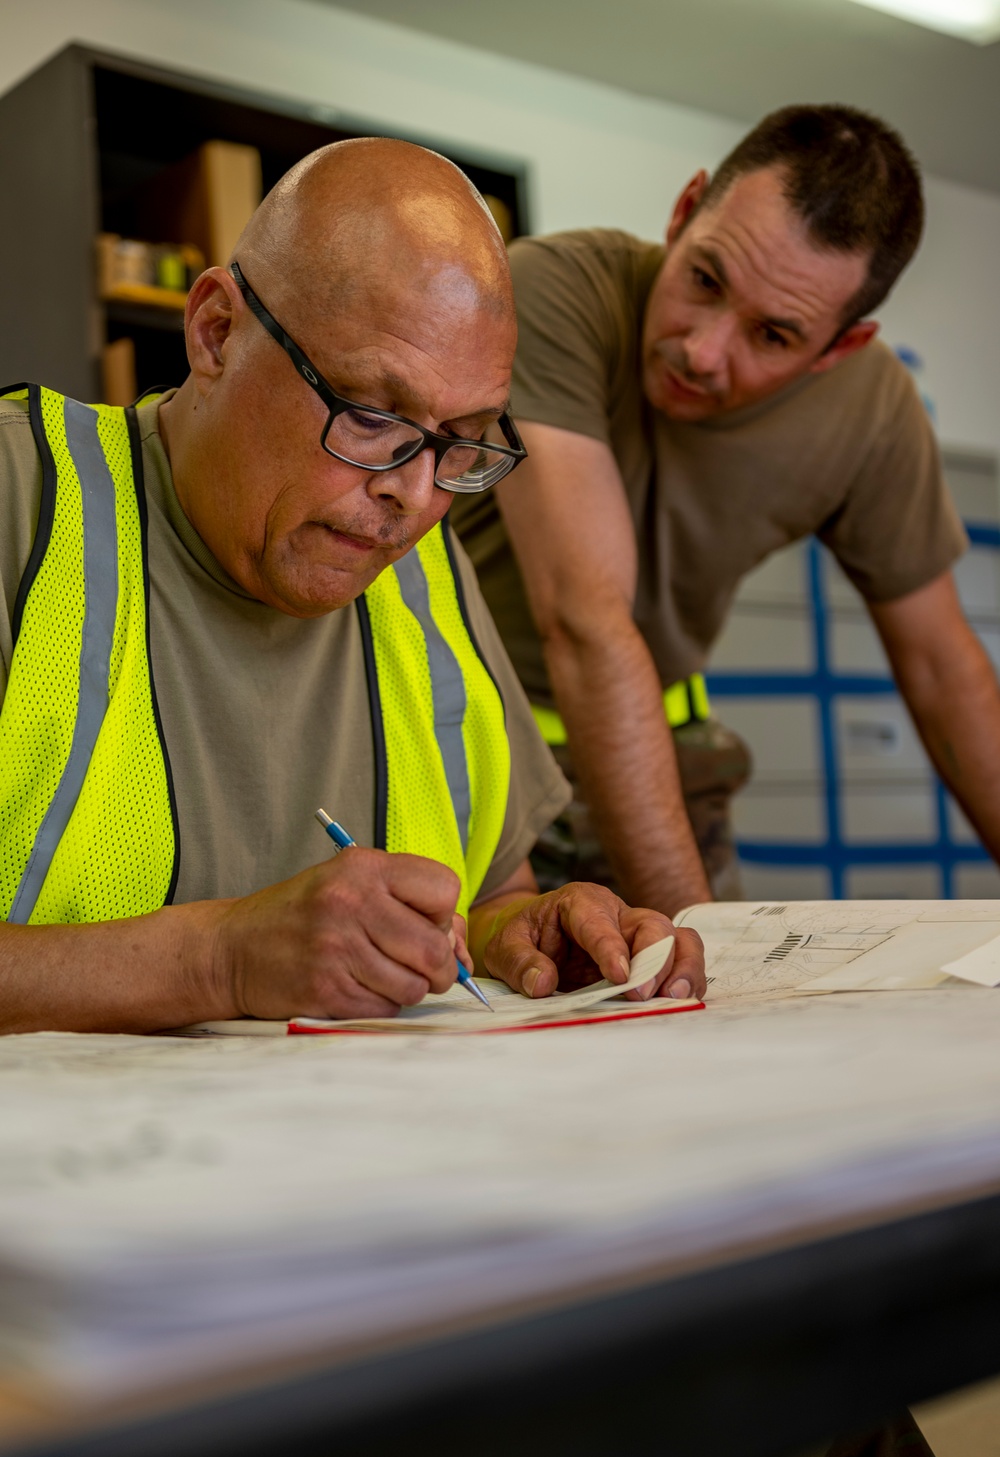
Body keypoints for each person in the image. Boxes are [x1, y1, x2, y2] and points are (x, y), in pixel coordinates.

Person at [0, 137, 705, 1034]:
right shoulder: (21, 503)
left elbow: (486, 892)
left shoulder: (425, 574)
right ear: (216, 332)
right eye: (373, 415)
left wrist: (513, 938)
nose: (413, 496)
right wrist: (218, 961)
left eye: (465, 440)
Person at [453, 104, 1000, 915]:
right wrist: (693, 932)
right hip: (467, 744)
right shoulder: (554, 289)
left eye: (774, 335)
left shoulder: (873, 409)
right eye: (705, 280)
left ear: (840, 348)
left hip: (662, 751)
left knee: (723, 1025)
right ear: (684, 212)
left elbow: (942, 669)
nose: (702, 352)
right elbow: (586, 621)